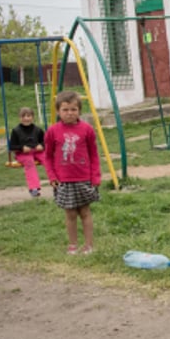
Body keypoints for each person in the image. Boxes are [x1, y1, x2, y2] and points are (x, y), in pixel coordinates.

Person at [44, 90, 101, 255]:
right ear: (58, 111)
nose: (69, 113)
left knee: (85, 211)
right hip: (64, 180)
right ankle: (73, 245)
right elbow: (47, 157)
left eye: (73, 109)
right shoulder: (52, 131)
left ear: (79, 111)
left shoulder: (87, 129)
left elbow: (94, 155)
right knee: (70, 214)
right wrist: (52, 176)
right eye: (65, 110)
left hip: (84, 179)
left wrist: (95, 176)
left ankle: (89, 245)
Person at [8, 106, 47, 198]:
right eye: (23, 116)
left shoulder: (38, 130)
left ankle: (56, 182)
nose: (26, 118)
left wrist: (41, 145)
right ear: (20, 118)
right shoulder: (16, 131)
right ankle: (34, 188)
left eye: (28, 116)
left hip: (37, 152)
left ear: (33, 117)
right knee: (30, 163)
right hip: (23, 154)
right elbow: (12, 146)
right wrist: (22, 148)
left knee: (47, 159)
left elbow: (45, 141)